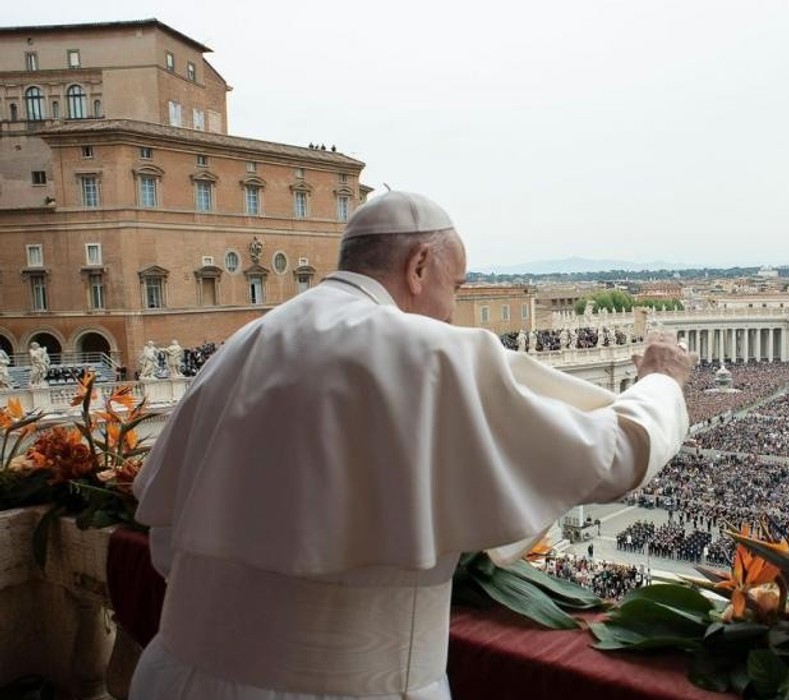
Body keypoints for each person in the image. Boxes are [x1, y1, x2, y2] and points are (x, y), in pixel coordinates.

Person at [130, 191, 692, 700]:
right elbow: (611, 455)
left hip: (173, 675)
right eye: (458, 286)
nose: (452, 307)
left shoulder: (245, 342)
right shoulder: (423, 351)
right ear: (420, 265)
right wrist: (660, 383)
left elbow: (166, 540)